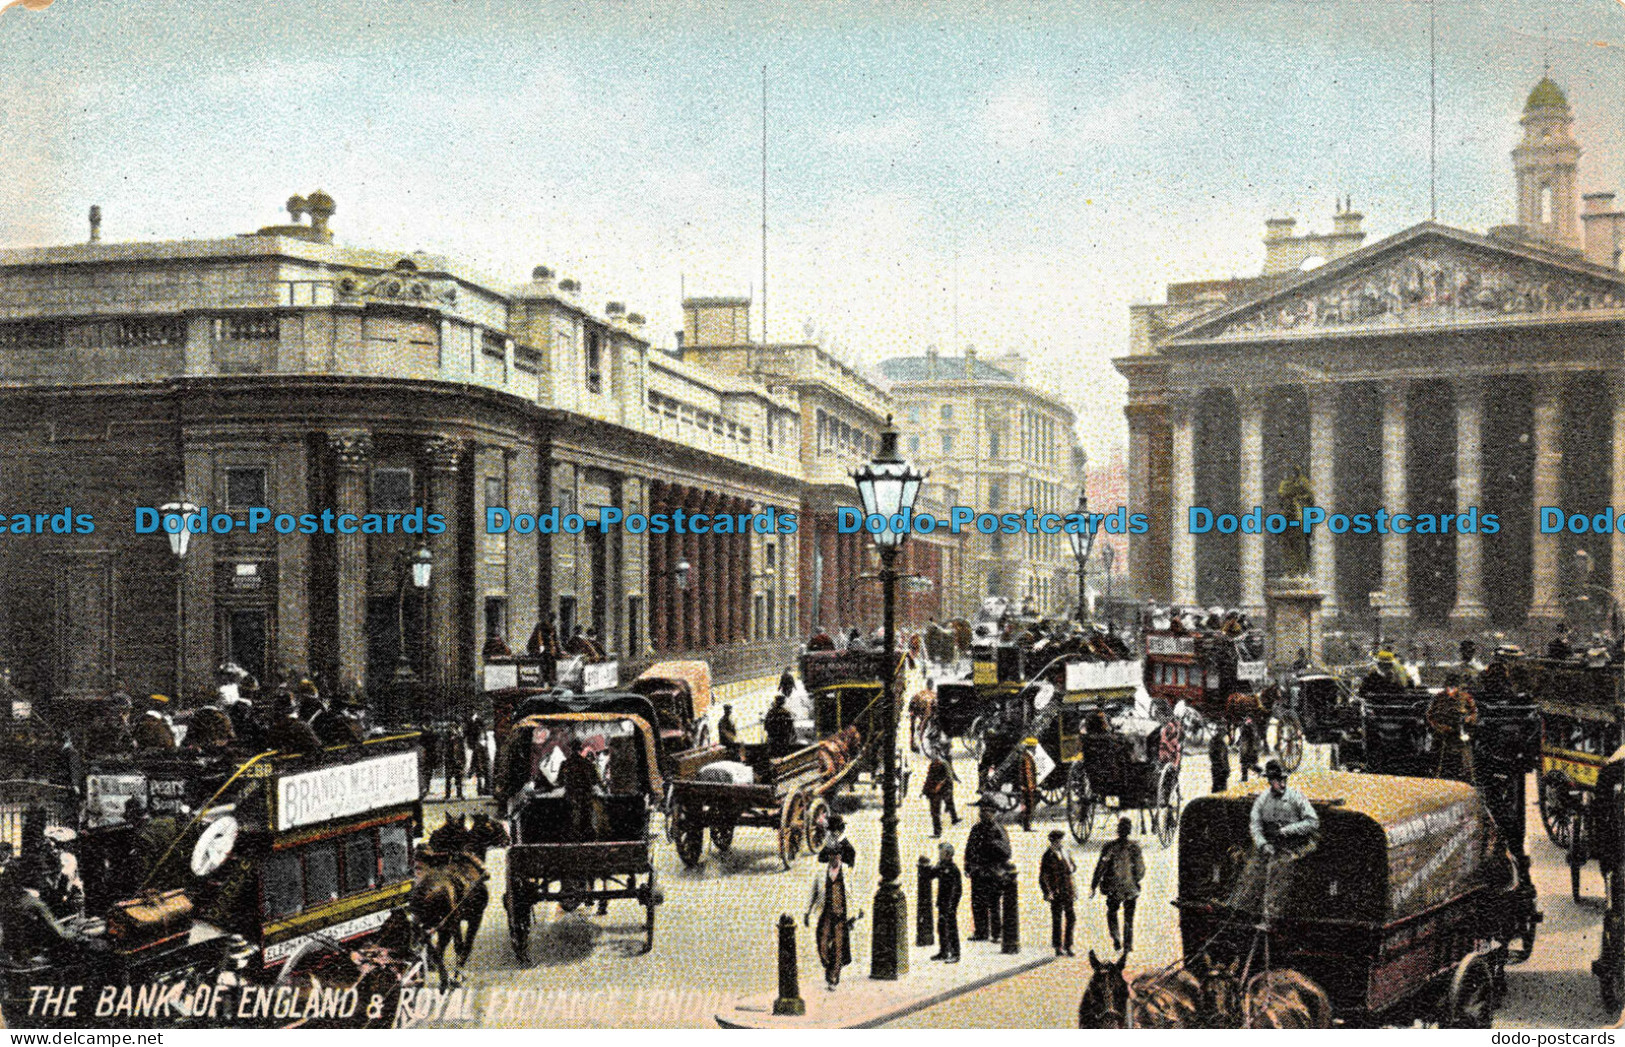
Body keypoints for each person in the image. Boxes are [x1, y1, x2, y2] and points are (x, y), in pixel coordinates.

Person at [1243, 759, 1320, 929]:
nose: (1282, 783)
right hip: (1273, 844)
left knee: (1279, 867)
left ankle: (1270, 919)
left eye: (1283, 779)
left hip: (1298, 845)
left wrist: (1287, 830)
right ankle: (1243, 911)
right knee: (1252, 865)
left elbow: (1313, 822)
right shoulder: (1263, 800)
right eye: (1277, 780)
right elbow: (1255, 825)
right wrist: (1263, 844)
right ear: (1270, 782)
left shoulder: (1296, 797)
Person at [804, 815, 856, 990]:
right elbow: (813, 893)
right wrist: (807, 912)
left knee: (839, 946)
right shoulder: (822, 873)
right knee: (822, 941)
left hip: (840, 913)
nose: (835, 859)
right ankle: (828, 965)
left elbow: (851, 893)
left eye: (837, 856)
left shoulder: (846, 871)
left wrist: (854, 914)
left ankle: (834, 976)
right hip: (826, 912)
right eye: (832, 856)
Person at [1090, 817, 1144, 953]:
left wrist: (1094, 885)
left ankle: (1116, 938)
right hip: (1130, 888)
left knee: (1112, 912)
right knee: (1129, 917)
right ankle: (1128, 944)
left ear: (1118, 831)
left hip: (1113, 888)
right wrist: (1134, 880)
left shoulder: (1109, 847)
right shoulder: (1135, 848)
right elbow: (1140, 870)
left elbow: (1100, 867)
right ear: (1129, 831)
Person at [965, 797, 1012, 942]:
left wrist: (992, 844)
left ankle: (997, 933)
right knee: (978, 903)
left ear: (992, 813)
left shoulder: (998, 829)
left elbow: (1006, 852)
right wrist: (968, 866)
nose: (982, 814)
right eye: (981, 811)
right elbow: (969, 849)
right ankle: (981, 932)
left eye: (985, 811)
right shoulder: (976, 829)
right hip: (978, 872)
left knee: (994, 904)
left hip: (993, 872)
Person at [1427, 678, 1479, 783]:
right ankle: (1435, 771)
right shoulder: (1439, 697)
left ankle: (1468, 773)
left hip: (1461, 729)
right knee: (1437, 749)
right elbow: (1430, 714)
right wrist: (1439, 727)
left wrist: (1468, 720)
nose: (1451, 690)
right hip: (1442, 730)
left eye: (1453, 687)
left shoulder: (1466, 697)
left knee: (1465, 748)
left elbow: (1474, 713)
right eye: (1449, 687)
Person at [1039, 829, 1077, 957]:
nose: (1059, 843)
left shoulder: (1065, 851)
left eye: (1060, 840)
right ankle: (1058, 946)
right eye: (1057, 841)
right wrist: (1047, 892)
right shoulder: (1048, 856)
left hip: (1067, 890)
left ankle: (1068, 945)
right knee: (1057, 920)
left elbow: (1072, 868)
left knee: (1071, 918)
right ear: (1052, 841)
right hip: (1056, 891)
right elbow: (1043, 876)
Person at [929, 841, 962, 963]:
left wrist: (952, 904)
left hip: (950, 903)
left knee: (951, 927)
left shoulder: (953, 869)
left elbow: (957, 889)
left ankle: (955, 953)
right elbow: (931, 875)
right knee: (941, 927)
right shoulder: (942, 866)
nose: (939, 855)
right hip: (942, 902)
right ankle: (944, 951)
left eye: (941, 853)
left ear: (948, 855)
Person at [923, 748, 960, 838]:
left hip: (943, 790)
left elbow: (947, 778)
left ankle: (952, 820)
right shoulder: (932, 765)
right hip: (934, 792)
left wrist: (939, 786)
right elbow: (929, 778)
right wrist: (925, 790)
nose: (933, 756)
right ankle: (937, 832)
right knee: (934, 812)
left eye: (934, 754)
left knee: (945, 805)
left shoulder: (943, 764)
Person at [1016, 738, 1041, 832]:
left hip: (1026, 785)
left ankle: (1023, 822)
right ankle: (1026, 825)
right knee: (1029, 805)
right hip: (1027, 786)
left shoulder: (1025, 756)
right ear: (1032, 748)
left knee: (1027, 805)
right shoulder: (1027, 758)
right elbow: (1028, 773)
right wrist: (1031, 787)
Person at [763, 692, 797, 758]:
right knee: (783, 752)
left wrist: (769, 732)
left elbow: (766, 724)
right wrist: (792, 733)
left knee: (774, 752)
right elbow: (790, 725)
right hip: (783, 736)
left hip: (774, 736)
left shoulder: (771, 712)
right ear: (783, 702)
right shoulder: (785, 712)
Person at [465, 713, 491, 795]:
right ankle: (484, 790)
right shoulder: (483, 739)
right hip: (482, 760)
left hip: (481, 759)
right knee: (483, 773)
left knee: (482, 773)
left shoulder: (480, 742)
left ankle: (482, 790)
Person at [1237, 717, 1261, 781]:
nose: (1248, 720)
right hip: (1245, 746)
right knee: (1245, 763)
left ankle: (1259, 771)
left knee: (1247, 763)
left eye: (1249, 719)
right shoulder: (1245, 726)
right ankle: (1244, 777)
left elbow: (1251, 738)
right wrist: (1238, 742)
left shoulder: (1250, 727)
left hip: (1248, 748)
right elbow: (1241, 736)